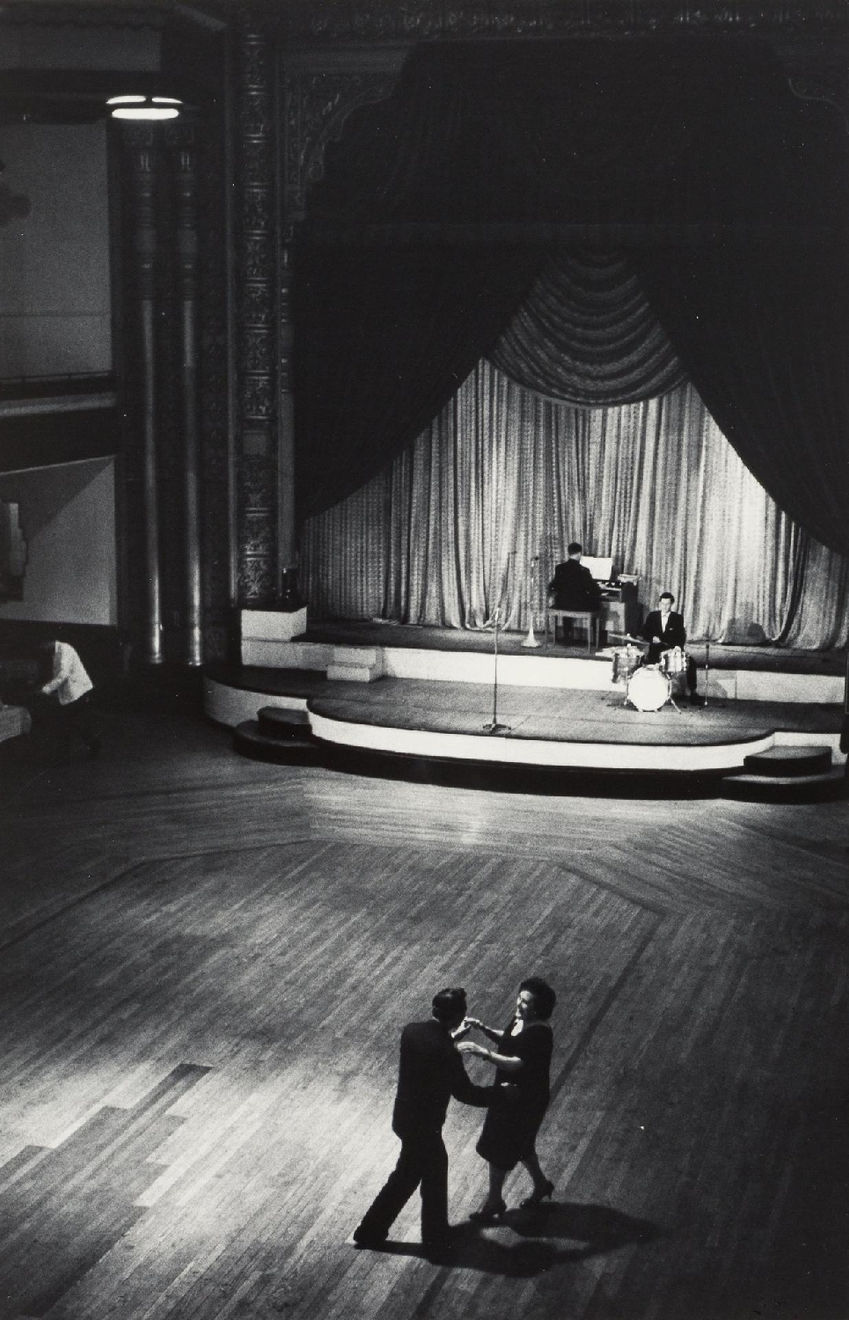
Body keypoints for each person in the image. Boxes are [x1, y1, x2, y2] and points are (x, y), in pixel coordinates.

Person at [352, 987, 493, 1261]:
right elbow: (466, 1093)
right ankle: (421, 1237)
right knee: (417, 1176)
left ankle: (399, 1232)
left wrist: (451, 1039)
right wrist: (500, 1095)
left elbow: (432, 1050)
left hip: (404, 1118)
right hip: (425, 1127)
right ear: (458, 1016)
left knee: (421, 1173)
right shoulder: (447, 1052)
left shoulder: (412, 1032)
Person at [457, 976, 556, 1220]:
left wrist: (484, 1053)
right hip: (509, 1092)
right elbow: (509, 1039)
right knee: (522, 1145)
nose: (519, 1004)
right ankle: (541, 1185)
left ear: (538, 1008)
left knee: (499, 1148)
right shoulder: (521, 1019)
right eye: (520, 998)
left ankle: (494, 1202)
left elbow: (517, 1063)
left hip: (523, 1099)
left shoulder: (539, 1033)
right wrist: (484, 1029)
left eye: (526, 1002)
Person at [35, 638, 101, 756]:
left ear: (49, 642)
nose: (42, 649)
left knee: (66, 723)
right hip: (74, 692)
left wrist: (46, 689)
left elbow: (63, 674)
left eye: (42, 645)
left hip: (78, 692)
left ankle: (64, 755)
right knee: (76, 723)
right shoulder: (56, 652)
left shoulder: (65, 650)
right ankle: (93, 745)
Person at [639, 591, 700, 703]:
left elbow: (681, 636)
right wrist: (652, 638)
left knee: (691, 663)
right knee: (644, 661)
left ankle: (693, 692)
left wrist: (677, 647)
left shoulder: (677, 618)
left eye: (667, 604)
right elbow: (644, 632)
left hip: (671, 650)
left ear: (671, 604)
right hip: (655, 651)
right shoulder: (652, 616)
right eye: (662, 604)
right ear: (659, 603)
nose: (664, 606)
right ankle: (646, 692)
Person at [547, 542, 602, 612]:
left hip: (561, 604)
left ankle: (566, 620)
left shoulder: (559, 568)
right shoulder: (583, 570)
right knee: (598, 605)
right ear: (579, 554)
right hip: (578, 605)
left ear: (569, 553)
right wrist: (599, 587)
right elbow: (594, 590)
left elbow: (554, 586)